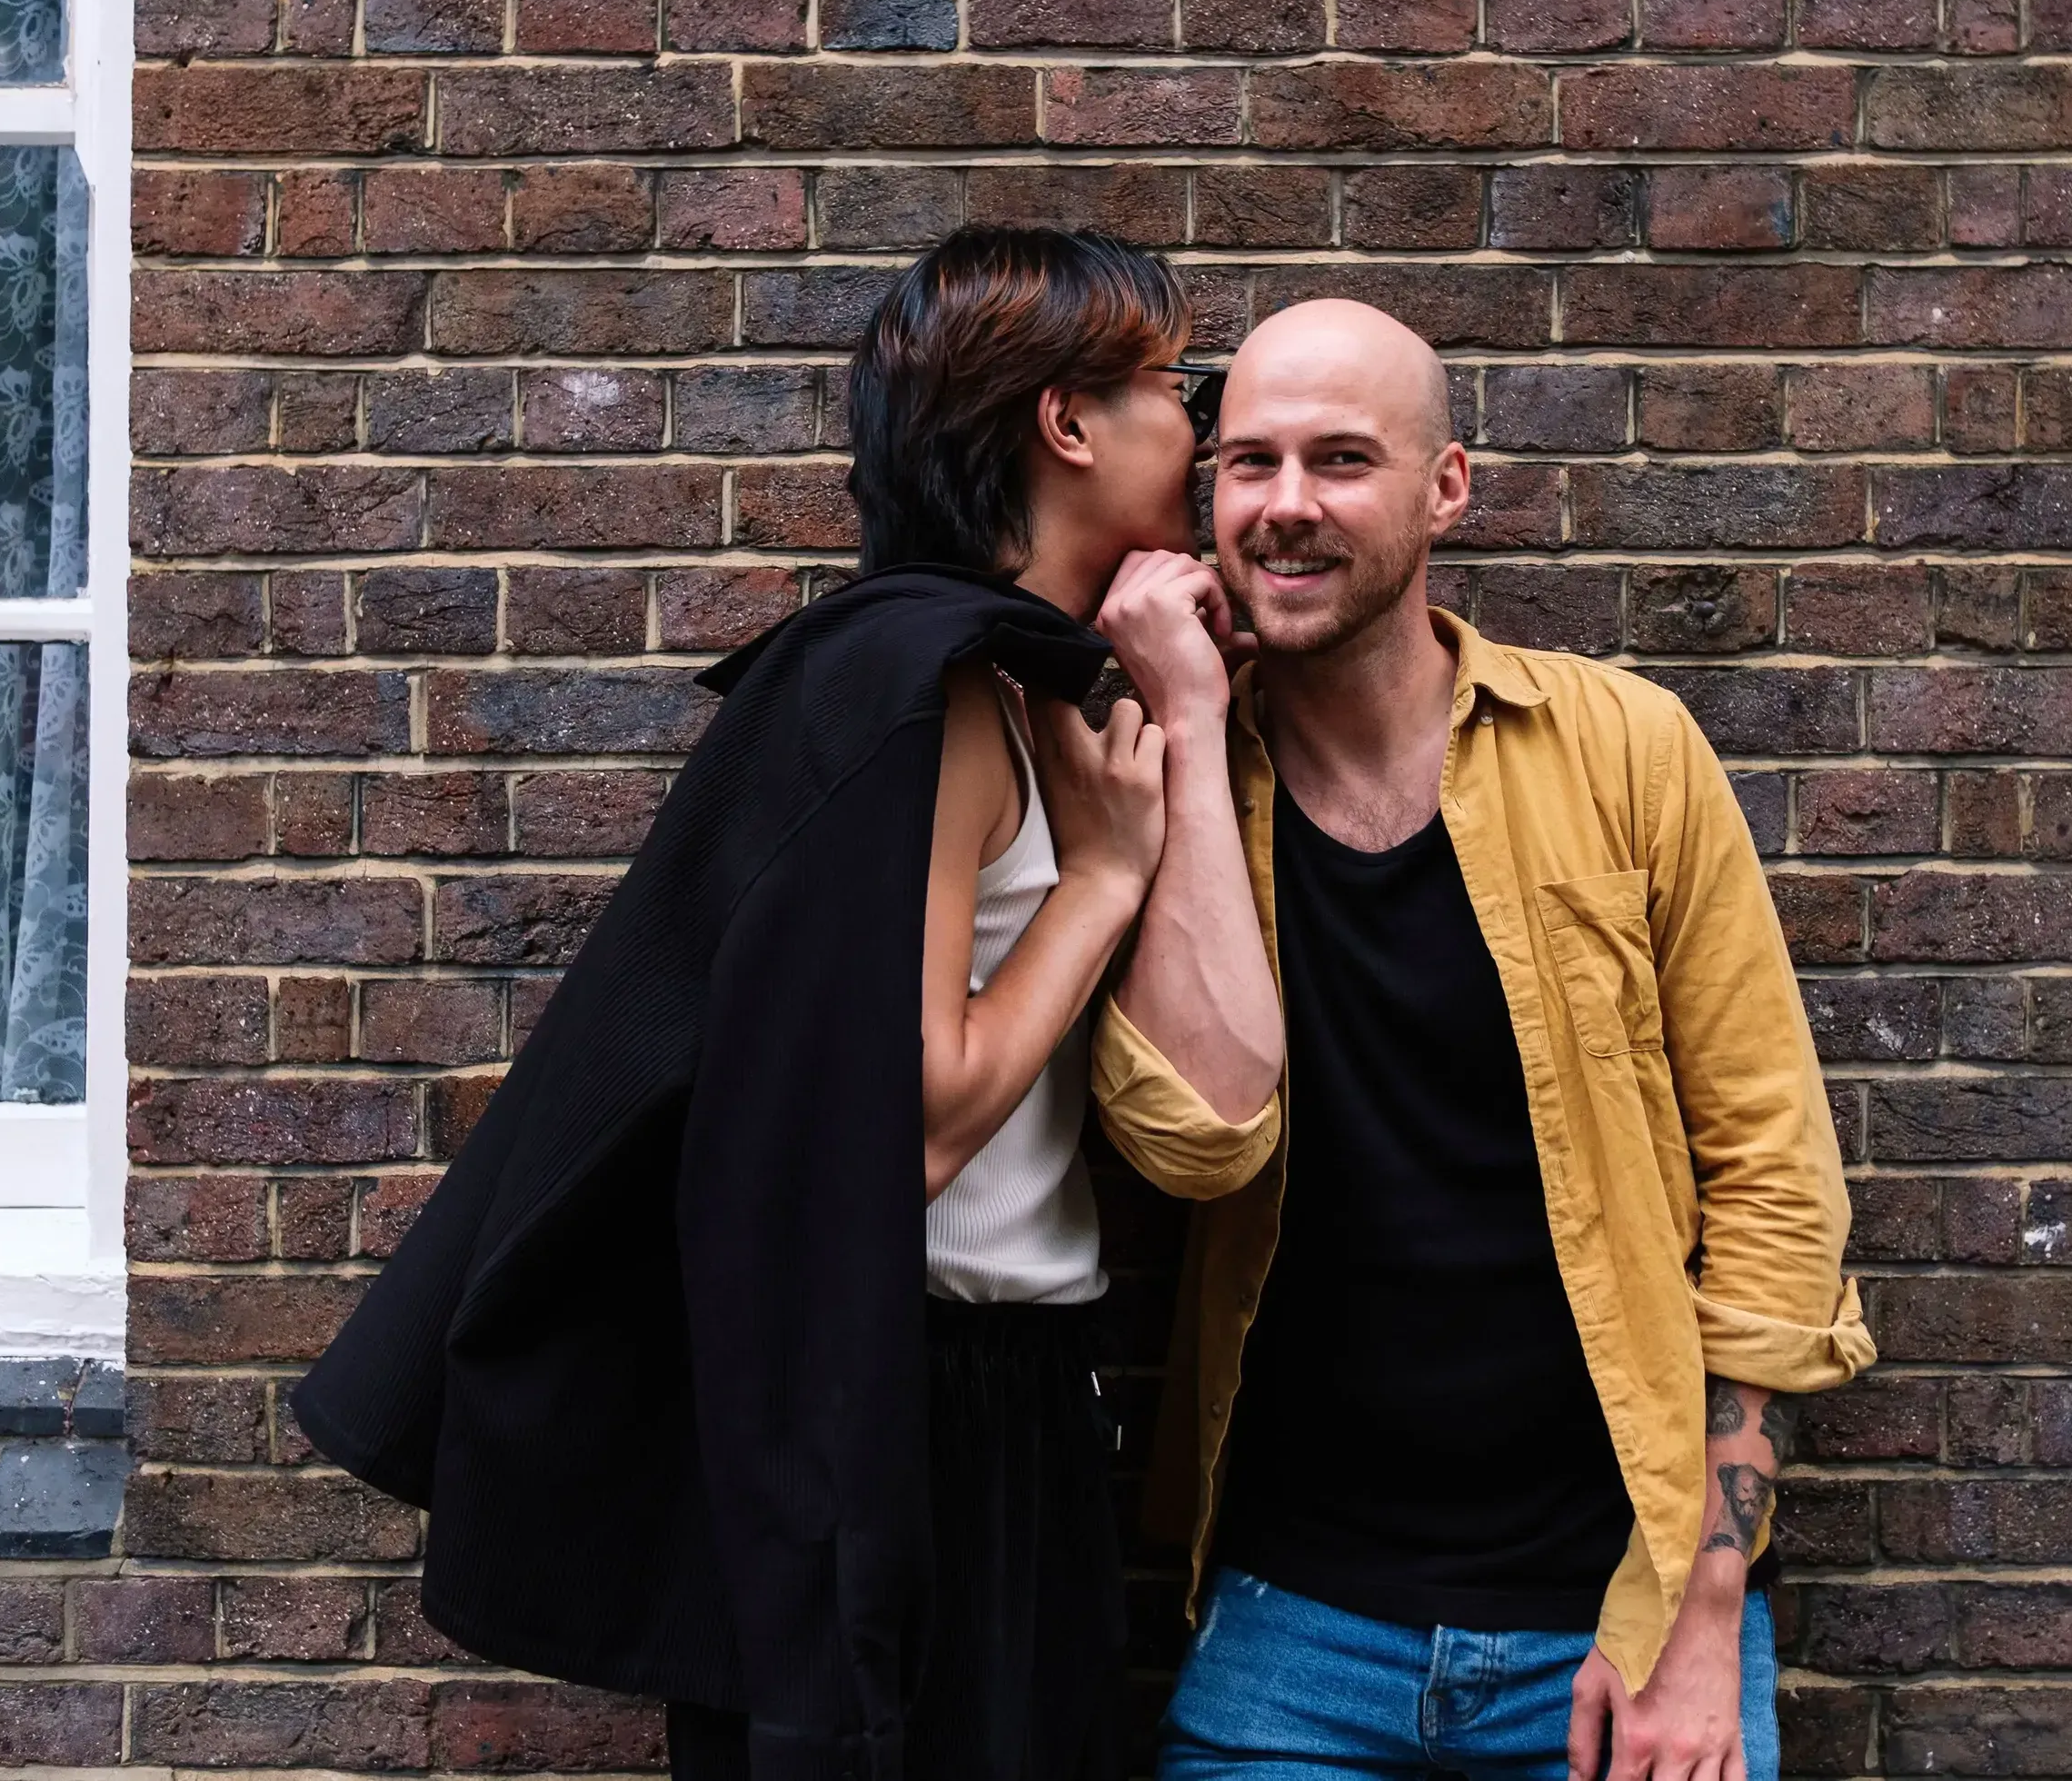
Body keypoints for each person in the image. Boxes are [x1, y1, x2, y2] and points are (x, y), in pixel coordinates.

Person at [291, 227, 1230, 1781]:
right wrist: (1107, 878)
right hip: (915, 1416)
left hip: (996, 1401)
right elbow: (907, 1121)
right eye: (1175, 388)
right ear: (1068, 423)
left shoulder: (989, 685)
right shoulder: (927, 693)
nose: (1195, 431)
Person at [1088, 298, 1876, 1781]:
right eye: (1248, 464)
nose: (1288, 505)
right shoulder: (1158, 776)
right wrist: (1192, 731)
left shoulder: (1627, 753)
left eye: (1342, 459)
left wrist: (1704, 1619)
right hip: (1292, 1637)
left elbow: (1774, 1187)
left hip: (1620, 1626)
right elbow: (1196, 1135)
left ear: (1446, 488)